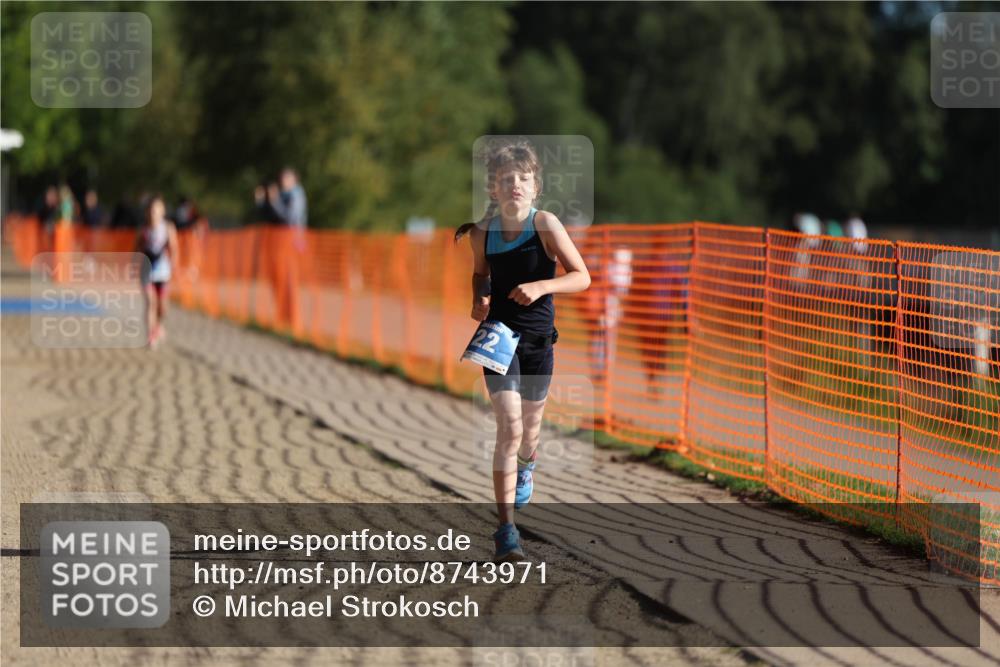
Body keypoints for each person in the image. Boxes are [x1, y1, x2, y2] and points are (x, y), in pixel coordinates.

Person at [455, 140, 590, 562]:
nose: (516, 184)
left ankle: (528, 463)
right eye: (507, 178)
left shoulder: (546, 225)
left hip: (537, 343)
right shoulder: (483, 234)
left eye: (524, 178)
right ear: (494, 189)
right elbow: (481, 275)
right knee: (509, 429)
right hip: (499, 340)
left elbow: (582, 277)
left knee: (529, 435)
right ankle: (506, 530)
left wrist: (542, 286)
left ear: (536, 188)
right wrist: (480, 296)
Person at [135, 195, 180, 348]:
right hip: (146, 272)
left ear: (162, 211)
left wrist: (173, 266)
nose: (153, 213)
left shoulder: (168, 228)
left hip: (162, 272)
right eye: (151, 210)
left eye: (157, 209)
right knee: (150, 303)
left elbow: (174, 248)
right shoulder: (143, 230)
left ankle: (158, 326)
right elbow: (136, 249)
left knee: (162, 307)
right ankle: (151, 336)